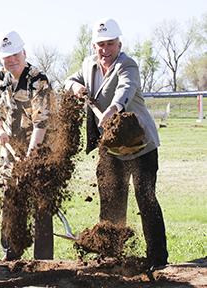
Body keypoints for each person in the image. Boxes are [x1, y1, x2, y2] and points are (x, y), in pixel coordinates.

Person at [64, 18, 168, 269]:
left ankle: (158, 258)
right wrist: (76, 87)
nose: (105, 49)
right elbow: (69, 81)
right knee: (111, 198)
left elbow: (126, 88)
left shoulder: (127, 64)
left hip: (139, 143)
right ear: (94, 46)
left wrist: (113, 108)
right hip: (110, 146)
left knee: (146, 197)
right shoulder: (89, 64)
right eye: (100, 44)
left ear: (119, 43)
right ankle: (111, 254)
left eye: (110, 43)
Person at [0, 30, 53, 261]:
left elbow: (41, 122)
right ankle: (10, 255)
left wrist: (31, 157)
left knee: (41, 204)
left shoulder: (38, 79)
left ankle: (43, 261)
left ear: (23, 52)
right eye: (6, 57)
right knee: (11, 200)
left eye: (15, 54)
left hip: (39, 149)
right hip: (9, 151)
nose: (11, 60)